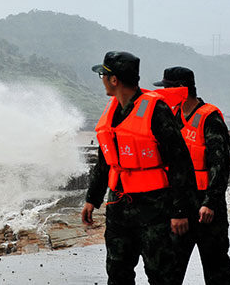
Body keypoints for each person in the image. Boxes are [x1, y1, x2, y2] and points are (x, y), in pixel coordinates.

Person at [81, 51, 197, 285]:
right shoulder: (110, 112)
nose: (101, 79)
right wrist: (92, 199)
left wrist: (180, 211)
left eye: (103, 75)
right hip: (118, 207)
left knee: (160, 274)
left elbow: (180, 162)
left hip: (154, 209)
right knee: (117, 272)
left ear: (114, 80)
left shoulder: (156, 110)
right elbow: (105, 161)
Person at [154, 67, 230, 284]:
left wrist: (211, 202)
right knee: (170, 268)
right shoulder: (173, 117)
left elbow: (220, 165)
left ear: (181, 89)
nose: (163, 93)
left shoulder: (209, 118)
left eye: (167, 88)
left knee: (216, 266)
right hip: (181, 205)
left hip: (207, 208)